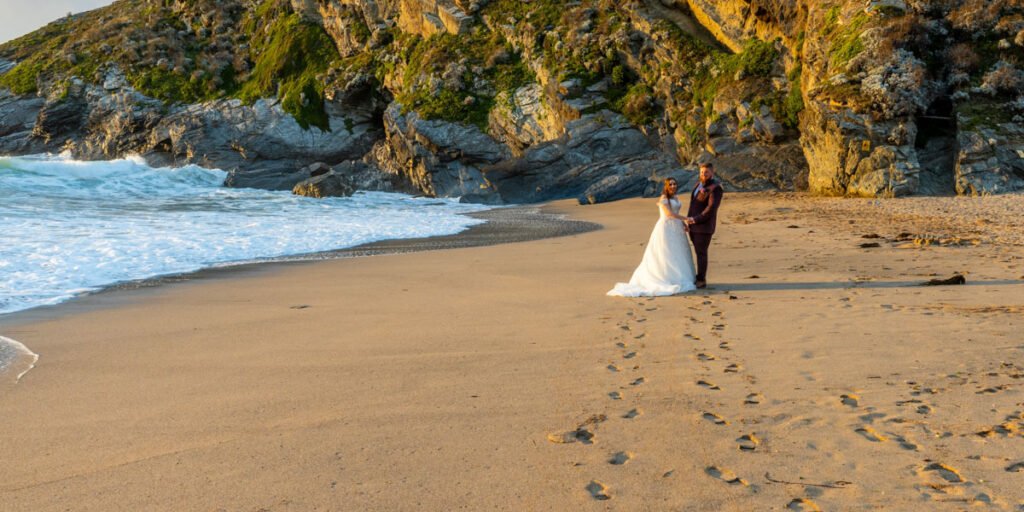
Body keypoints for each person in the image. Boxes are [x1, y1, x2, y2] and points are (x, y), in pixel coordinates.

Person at [607, 178, 697, 297]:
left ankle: (678, 276)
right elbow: (669, 214)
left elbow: (675, 213)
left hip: (677, 229)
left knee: (678, 253)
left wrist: (683, 224)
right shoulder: (664, 199)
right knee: (666, 253)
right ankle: (665, 277)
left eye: (675, 183)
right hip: (666, 228)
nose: (673, 186)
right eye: (671, 184)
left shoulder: (675, 198)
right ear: (666, 186)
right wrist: (686, 218)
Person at [684, 163, 723, 289]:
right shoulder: (697, 185)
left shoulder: (715, 189)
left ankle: (701, 280)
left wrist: (695, 219)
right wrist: (689, 221)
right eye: (701, 172)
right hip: (693, 226)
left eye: (706, 172)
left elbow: (711, 209)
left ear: (712, 173)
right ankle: (697, 277)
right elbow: (693, 204)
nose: (703, 174)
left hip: (704, 227)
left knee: (701, 253)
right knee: (697, 252)